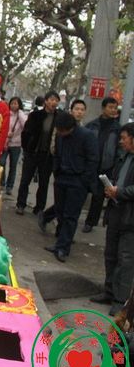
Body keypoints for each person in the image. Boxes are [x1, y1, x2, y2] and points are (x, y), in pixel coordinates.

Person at [90, 123, 134, 316]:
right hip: (115, 211)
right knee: (110, 254)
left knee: (126, 260)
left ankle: (120, 300)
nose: (121, 142)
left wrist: (120, 192)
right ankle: (108, 291)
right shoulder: (123, 157)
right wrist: (111, 189)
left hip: (130, 218)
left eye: (124, 138)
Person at [43, 113, 98, 262]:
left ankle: (63, 248)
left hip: (78, 180)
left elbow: (93, 160)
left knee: (70, 216)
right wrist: (57, 172)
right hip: (62, 177)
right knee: (60, 211)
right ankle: (59, 243)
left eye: (62, 131)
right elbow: (57, 154)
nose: (60, 133)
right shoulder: (60, 136)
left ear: (70, 128)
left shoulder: (87, 136)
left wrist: (84, 180)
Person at [38, 99, 88, 231]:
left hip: (76, 172)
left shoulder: (84, 130)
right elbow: (54, 146)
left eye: (82, 110)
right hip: (62, 168)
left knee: (68, 203)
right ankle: (51, 221)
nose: (79, 112)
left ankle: (56, 226)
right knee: (62, 202)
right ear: (71, 110)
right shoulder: (62, 124)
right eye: (77, 109)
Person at [16, 90, 62, 215]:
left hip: (47, 155)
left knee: (44, 182)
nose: (53, 102)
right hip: (32, 152)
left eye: (56, 100)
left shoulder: (59, 118)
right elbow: (26, 133)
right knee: (25, 180)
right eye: (51, 100)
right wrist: (27, 148)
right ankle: (21, 204)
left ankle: (39, 208)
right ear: (46, 101)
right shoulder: (35, 115)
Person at [82, 97, 121, 233]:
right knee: (80, 193)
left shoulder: (117, 129)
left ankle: (90, 222)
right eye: (110, 107)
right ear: (103, 108)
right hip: (89, 166)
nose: (113, 110)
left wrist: (115, 167)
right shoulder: (92, 125)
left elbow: (119, 150)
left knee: (98, 197)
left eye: (115, 108)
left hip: (106, 168)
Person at [0, 97, 27, 195]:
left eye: (16, 103)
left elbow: (25, 125)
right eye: (12, 103)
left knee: (13, 166)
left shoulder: (21, 115)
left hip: (16, 144)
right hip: (5, 143)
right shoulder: (6, 114)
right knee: (1, 163)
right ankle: (1, 183)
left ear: (19, 105)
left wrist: (20, 113)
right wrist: (6, 134)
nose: (14, 105)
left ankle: (9, 186)